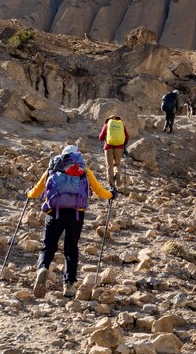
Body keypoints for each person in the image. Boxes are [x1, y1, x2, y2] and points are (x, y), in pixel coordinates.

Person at [27, 144, 114, 298]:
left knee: (48, 247)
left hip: (55, 213)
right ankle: (69, 285)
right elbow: (100, 191)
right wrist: (111, 195)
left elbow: (37, 191)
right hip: (76, 214)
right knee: (71, 249)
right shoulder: (84, 170)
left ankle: (43, 268)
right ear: (77, 156)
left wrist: (29, 193)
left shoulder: (53, 168)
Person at [99, 115, 128, 188]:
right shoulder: (121, 125)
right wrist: (123, 145)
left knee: (109, 165)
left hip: (108, 147)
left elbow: (101, 137)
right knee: (117, 164)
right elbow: (126, 137)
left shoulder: (107, 125)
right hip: (119, 147)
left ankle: (111, 184)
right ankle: (118, 177)